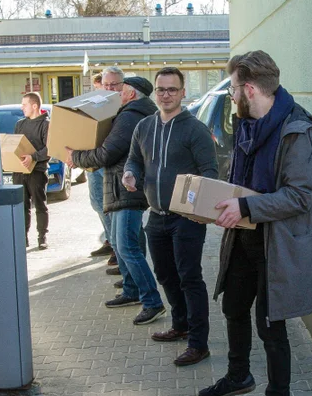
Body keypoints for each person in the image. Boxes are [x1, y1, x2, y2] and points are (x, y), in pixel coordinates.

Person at [197, 50, 312, 396]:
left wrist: (246, 207)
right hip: (244, 237)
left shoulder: (299, 131)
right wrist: (213, 203)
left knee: (270, 328)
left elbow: (301, 195)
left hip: (278, 246)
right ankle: (239, 375)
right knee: (233, 307)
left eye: (234, 88)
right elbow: (240, 178)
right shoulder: (246, 123)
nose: (232, 94)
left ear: (249, 88)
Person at [123, 67, 218, 366]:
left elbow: (210, 174)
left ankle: (198, 343)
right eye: (161, 89)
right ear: (156, 92)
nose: (166, 95)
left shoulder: (195, 129)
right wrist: (130, 173)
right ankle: (180, 324)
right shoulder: (145, 127)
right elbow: (134, 159)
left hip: (186, 218)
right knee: (165, 274)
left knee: (189, 277)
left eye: (172, 90)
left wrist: (201, 210)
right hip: (157, 215)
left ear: (182, 92)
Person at [67, 77, 165, 322]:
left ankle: (152, 301)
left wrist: (75, 157)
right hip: (125, 187)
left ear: (131, 94)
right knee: (128, 245)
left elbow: (107, 152)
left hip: (127, 189)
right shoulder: (136, 114)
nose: (117, 94)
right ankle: (132, 291)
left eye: (120, 90)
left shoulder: (130, 116)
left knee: (127, 247)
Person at [14, 91, 50, 250]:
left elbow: (50, 149)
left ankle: (42, 237)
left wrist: (33, 157)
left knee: (40, 205)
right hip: (19, 171)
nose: (22, 107)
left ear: (34, 106)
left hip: (37, 171)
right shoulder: (20, 124)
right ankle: (23, 238)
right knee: (22, 206)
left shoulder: (46, 124)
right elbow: (15, 145)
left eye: (25, 104)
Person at [87, 69, 116, 265]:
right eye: (100, 87)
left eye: (107, 86)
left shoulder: (118, 108)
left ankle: (116, 247)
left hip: (107, 163)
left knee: (110, 207)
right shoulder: (92, 106)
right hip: (92, 162)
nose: (103, 91)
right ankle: (109, 240)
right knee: (97, 204)